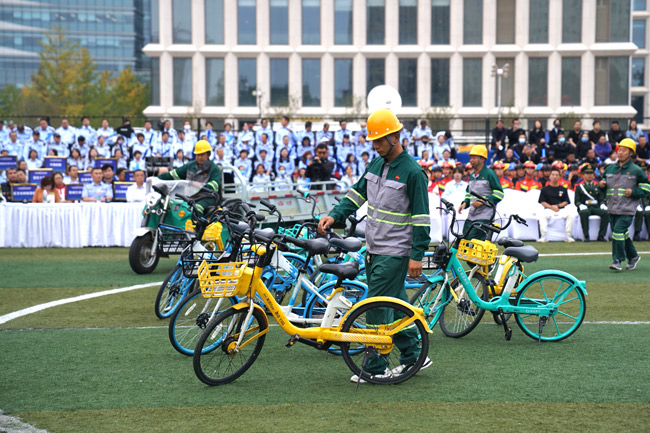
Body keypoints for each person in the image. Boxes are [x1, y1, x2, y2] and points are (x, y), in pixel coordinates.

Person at [318, 108, 431, 381]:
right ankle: (414, 356)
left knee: (375, 306)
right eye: (373, 141)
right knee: (396, 303)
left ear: (395, 136)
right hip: (373, 250)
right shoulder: (375, 165)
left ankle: (375, 368)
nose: (376, 146)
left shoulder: (413, 172)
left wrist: (417, 255)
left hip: (395, 252)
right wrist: (336, 215)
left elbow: (422, 218)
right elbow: (356, 195)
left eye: (380, 140)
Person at [599, 139, 650, 271]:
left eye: (624, 150)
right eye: (619, 150)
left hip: (627, 209)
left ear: (631, 153)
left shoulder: (636, 170)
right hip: (612, 208)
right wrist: (601, 186)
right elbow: (603, 188)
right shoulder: (609, 168)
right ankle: (633, 257)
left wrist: (633, 192)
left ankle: (617, 260)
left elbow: (646, 189)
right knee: (623, 234)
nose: (620, 153)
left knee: (617, 232)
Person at [157, 140, 221, 215]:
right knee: (171, 205)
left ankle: (195, 226)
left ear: (208, 154)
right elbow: (173, 174)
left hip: (206, 197)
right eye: (198, 155)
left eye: (202, 154)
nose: (200, 157)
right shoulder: (190, 166)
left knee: (197, 208)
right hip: (189, 196)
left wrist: (201, 186)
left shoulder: (214, 169)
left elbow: (215, 186)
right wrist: (157, 178)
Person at [458, 145, 504, 241]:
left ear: (482, 159)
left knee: (474, 242)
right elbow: (468, 193)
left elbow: (499, 193)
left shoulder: (490, 174)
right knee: (464, 240)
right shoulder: (471, 176)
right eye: (471, 157)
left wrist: (484, 200)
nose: (471, 160)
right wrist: (465, 203)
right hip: (471, 215)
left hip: (485, 216)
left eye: (474, 157)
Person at [538, 167, 575, 242]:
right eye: (553, 175)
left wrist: (558, 206)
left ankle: (568, 236)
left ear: (559, 177)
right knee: (542, 215)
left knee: (571, 215)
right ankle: (543, 236)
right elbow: (542, 202)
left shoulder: (563, 189)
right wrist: (551, 207)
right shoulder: (545, 189)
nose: (554, 176)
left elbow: (566, 201)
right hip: (548, 209)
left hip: (560, 209)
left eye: (556, 175)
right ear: (550, 176)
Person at [575, 164, 608, 242]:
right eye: (587, 173)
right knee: (584, 213)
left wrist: (603, 204)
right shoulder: (579, 187)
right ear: (583, 175)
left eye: (591, 173)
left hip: (595, 207)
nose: (589, 175)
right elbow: (576, 201)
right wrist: (580, 205)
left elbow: (601, 198)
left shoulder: (597, 186)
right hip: (585, 207)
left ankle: (601, 235)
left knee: (606, 213)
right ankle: (586, 235)